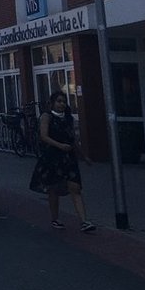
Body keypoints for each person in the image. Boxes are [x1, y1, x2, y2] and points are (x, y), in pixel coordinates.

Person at [30, 90, 95, 233]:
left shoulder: (68, 118)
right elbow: (44, 136)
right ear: (52, 103)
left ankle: (84, 221)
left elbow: (73, 139)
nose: (62, 104)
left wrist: (84, 156)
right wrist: (60, 146)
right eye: (59, 101)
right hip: (52, 158)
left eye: (64, 102)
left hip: (68, 158)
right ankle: (55, 218)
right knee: (53, 189)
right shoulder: (46, 117)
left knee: (75, 187)